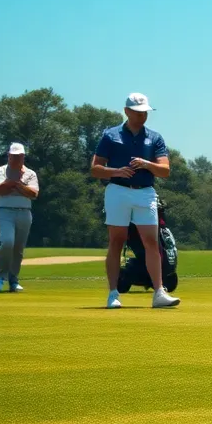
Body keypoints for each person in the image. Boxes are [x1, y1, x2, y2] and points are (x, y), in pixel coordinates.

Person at [90, 93, 179, 309]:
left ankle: (159, 292)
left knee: (151, 241)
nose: (142, 116)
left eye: (145, 112)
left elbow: (165, 170)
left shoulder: (155, 138)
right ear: (127, 111)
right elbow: (95, 169)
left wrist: (146, 164)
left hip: (145, 192)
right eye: (138, 112)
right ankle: (113, 294)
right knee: (116, 241)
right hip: (117, 191)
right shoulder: (110, 135)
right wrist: (117, 171)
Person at [0, 142, 39, 292]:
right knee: (7, 242)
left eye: (19, 156)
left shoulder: (30, 173)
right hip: (4, 211)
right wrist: (17, 185)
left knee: (18, 248)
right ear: (9, 156)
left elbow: (33, 194)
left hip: (24, 212)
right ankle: (0, 277)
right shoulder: (0, 171)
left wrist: (16, 185)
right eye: (14, 156)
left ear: (23, 156)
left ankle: (13, 280)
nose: (17, 159)